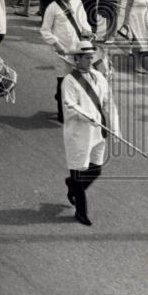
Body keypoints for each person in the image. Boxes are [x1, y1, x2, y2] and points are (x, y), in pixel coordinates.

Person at [62, 41, 119, 226]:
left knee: (96, 169)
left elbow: (109, 103)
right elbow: (70, 108)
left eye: (91, 57)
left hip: (99, 130)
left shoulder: (99, 77)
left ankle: (72, 186)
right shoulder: (69, 81)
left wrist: (116, 128)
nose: (90, 60)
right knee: (79, 173)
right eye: (86, 57)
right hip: (79, 133)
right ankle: (81, 211)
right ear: (76, 59)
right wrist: (88, 117)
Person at [40, 0, 92, 122]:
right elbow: (45, 30)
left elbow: (84, 22)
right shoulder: (53, 8)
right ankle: (62, 113)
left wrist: (87, 32)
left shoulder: (78, 3)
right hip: (62, 52)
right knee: (62, 81)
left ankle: (73, 106)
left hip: (78, 49)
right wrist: (57, 45)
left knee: (78, 80)